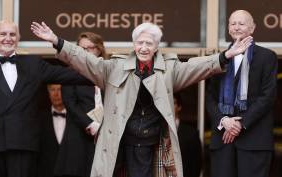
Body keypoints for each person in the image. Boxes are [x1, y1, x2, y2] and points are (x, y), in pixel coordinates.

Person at [31, 21, 252, 177]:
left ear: (156, 47)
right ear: (134, 45)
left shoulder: (168, 70)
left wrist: (225, 55)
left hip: (150, 144)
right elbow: (86, 60)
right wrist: (57, 41)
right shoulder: (115, 67)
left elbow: (196, 66)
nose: (144, 48)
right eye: (140, 43)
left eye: (149, 43)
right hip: (119, 143)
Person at [0, 20, 92, 177]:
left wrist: (104, 72)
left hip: (23, 143)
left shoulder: (34, 64)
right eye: (3, 34)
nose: (8, 38)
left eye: (12, 34)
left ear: (18, 38)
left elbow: (74, 75)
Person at [206, 10, 278, 177]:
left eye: (241, 23)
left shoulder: (267, 57)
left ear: (252, 28)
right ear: (229, 29)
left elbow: (268, 96)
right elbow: (210, 97)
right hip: (222, 141)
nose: (236, 27)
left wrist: (240, 123)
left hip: (254, 140)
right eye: (233, 23)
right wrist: (223, 120)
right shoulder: (220, 59)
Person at [60, 32, 107, 177]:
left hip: (105, 138)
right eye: (81, 49)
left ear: (99, 49)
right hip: (79, 137)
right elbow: (70, 104)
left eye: (89, 48)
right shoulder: (70, 73)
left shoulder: (109, 72)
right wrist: (91, 125)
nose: (84, 52)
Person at [174, 93, 202, 177]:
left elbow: (196, 166)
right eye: (168, 102)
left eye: (174, 102)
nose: (170, 105)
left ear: (179, 107)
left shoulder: (191, 134)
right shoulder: (157, 131)